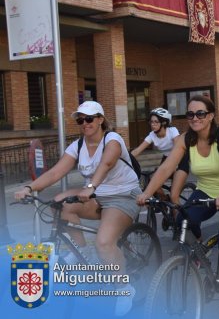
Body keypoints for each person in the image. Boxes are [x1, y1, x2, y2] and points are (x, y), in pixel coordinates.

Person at [14, 101, 140, 316]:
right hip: (96, 196)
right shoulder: (78, 146)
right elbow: (56, 173)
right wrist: (28, 187)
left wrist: (91, 186)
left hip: (123, 195)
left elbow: (107, 163)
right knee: (58, 203)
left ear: (100, 119)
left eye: (89, 119)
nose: (85, 123)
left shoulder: (112, 139)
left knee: (104, 241)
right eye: (80, 120)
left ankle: (124, 288)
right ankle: (84, 252)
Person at [137, 95, 219, 319]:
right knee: (182, 220)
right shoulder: (185, 139)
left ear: (210, 116)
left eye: (200, 113)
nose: (195, 118)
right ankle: (200, 253)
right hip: (206, 190)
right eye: (190, 114)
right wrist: (146, 193)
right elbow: (166, 168)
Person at [131, 108, 187, 199]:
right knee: (153, 182)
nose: (153, 124)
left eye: (156, 122)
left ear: (164, 123)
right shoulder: (152, 135)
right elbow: (138, 150)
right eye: (151, 122)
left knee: (174, 194)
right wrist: (126, 159)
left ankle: (175, 207)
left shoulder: (172, 131)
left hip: (180, 158)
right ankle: (164, 201)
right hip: (166, 158)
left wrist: (173, 166)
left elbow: (178, 148)